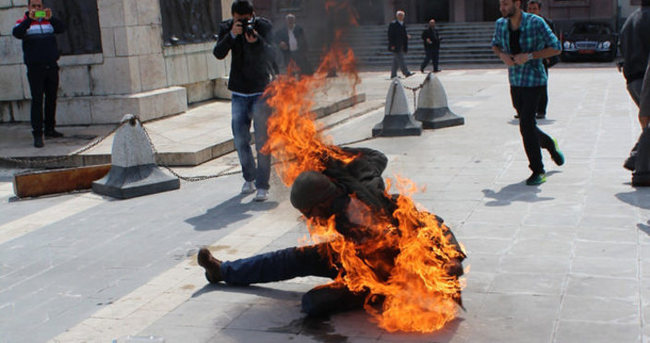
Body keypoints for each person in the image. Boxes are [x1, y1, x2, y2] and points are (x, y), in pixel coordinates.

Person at [197, 146, 465, 317]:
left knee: (313, 304)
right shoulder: (344, 188)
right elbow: (376, 157)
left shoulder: (367, 208)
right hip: (353, 258)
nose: (311, 220)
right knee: (293, 258)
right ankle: (223, 271)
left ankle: (383, 297)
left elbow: (432, 222)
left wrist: (452, 258)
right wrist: (327, 154)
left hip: (385, 274)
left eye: (311, 213)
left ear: (322, 203)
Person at [492, 0, 565, 185]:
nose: (502, 8)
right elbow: (495, 45)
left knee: (525, 124)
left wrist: (530, 56)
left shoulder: (536, 23)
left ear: (517, 3)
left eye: (506, 4)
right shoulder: (500, 24)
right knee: (528, 125)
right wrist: (502, 56)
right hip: (515, 81)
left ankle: (538, 170)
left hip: (534, 80)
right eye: (501, 4)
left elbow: (556, 47)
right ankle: (549, 143)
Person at [213, 0, 276, 202]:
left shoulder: (263, 26)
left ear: (253, 15)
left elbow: (273, 53)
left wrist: (256, 40)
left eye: (247, 19)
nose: (244, 23)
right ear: (233, 17)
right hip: (239, 92)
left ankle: (262, 185)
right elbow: (218, 53)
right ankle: (249, 178)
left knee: (262, 141)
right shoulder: (227, 27)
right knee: (241, 140)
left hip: (260, 90)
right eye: (239, 20)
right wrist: (232, 35)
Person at [12, 0, 66, 148]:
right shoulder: (22, 22)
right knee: (37, 100)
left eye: (39, 6)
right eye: (34, 6)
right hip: (35, 68)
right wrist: (30, 19)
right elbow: (17, 33)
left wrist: (51, 18)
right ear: (29, 7)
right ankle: (37, 133)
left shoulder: (49, 22)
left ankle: (50, 128)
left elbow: (62, 28)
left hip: (51, 66)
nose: (37, 9)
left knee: (51, 98)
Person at [620, 0, 650, 171]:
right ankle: (638, 161)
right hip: (645, 78)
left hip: (632, 77)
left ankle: (635, 157)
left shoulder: (631, 19)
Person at [526, 0, 557, 120]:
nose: (532, 11)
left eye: (534, 9)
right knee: (525, 86)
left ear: (539, 10)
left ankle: (541, 110)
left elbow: (552, 40)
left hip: (542, 58)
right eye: (529, 9)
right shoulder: (522, 22)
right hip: (526, 58)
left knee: (541, 85)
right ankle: (524, 109)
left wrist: (548, 56)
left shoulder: (547, 23)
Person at [387, 10, 414, 79]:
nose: (401, 17)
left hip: (401, 44)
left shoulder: (402, 24)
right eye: (400, 15)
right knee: (401, 59)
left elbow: (403, 33)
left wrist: (406, 36)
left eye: (402, 15)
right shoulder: (393, 24)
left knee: (396, 61)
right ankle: (406, 72)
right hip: (395, 45)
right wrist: (392, 44)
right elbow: (390, 35)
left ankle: (393, 75)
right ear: (397, 16)